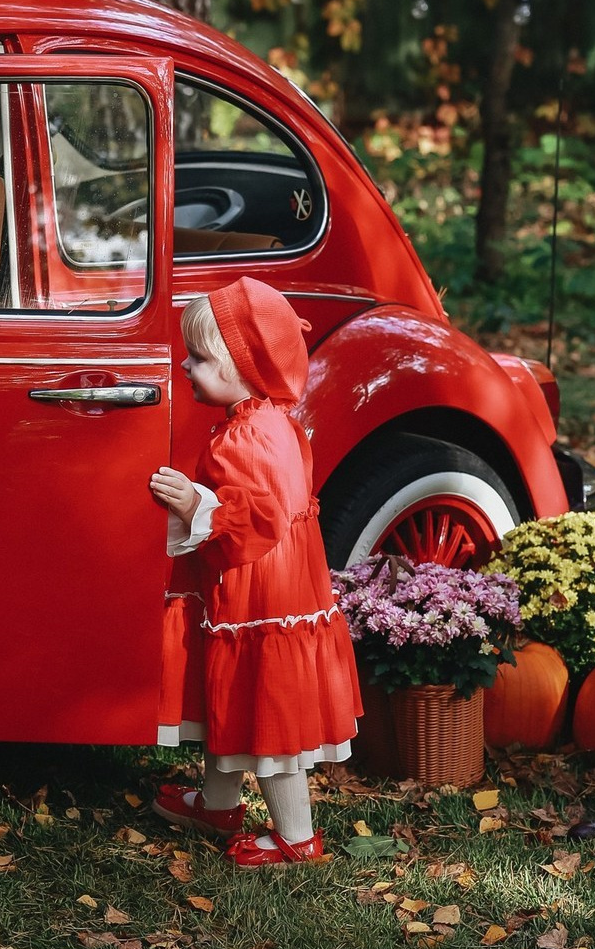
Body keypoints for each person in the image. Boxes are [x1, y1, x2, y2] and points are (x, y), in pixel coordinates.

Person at [148, 276, 362, 866]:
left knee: (267, 712)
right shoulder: (267, 420)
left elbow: (260, 515)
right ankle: (217, 803)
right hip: (257, 591)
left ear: (243, 365)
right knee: (235, 692)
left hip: (267, 596)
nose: (187, 366)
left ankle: (297, 835)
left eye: (200, 358)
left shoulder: (249, 435)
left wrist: (196, 506)